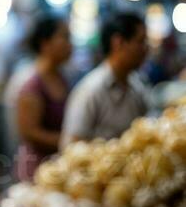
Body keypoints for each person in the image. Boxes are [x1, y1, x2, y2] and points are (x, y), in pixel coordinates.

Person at [61, 13, 153, 147]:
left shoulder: (136, 86)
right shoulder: (91, 90)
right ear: (118, 42)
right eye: (140, 41)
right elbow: (70, 145)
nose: (145, 49)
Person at [14, 15, 73, 181]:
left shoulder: (61, 77)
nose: (70, 45)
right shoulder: (30, 83)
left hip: (57, 166)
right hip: (37, 170)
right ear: (45, 43)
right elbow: (29, 132)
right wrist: (68, 140)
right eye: (64, 37)